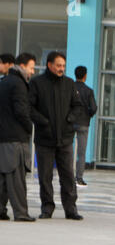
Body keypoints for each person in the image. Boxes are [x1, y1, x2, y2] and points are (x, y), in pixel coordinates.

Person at [29, 51, 84, 220]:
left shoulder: (69, 84)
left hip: (65, 139)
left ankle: (70, 208)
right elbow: (29, 107)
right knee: (45, 176)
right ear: (49, 65)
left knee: (67, 175)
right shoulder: (37, 83)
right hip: (44, 139)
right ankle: (47, 207)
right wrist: (43, 122)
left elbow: (77, 106)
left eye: (63, 66)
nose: (61, 69)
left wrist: (70, 120)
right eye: (58, 65)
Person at [0, 53, 36, 222]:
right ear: (22, 66)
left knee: (3, 178)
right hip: (15, 138)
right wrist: (30, 128)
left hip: (3, 136)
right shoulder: (19, 84)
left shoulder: (4, 82)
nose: (33, 71)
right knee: (16, 178)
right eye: (31, 67)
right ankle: (21, 212)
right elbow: (21, 111)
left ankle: (1, 210)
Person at [73, 66, 97, 187]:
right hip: (83, 123)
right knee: (81, 153)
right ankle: (79, 178)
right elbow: (93, 108)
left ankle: (67, 176)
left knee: (66, 150)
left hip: (69, 122)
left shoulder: (69, 88)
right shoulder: (89, 91)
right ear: (85, 75)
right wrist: (88, 115)